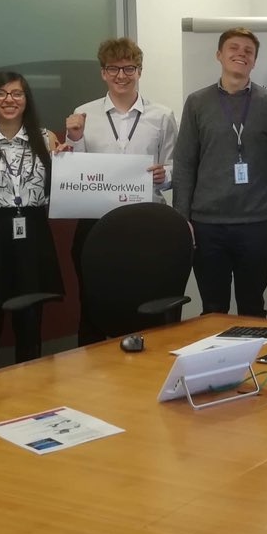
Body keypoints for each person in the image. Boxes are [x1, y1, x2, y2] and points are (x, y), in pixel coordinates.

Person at [173, 27, 267, 318]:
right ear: (219, 54)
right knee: (213, 310)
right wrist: (183, 218)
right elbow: (184, 164)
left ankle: (252, 351)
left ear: (254, 61)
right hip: (206, 226)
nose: (241, 54)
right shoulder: (197, 103)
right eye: (234, 48)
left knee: (252, 308)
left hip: (255, 225)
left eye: (248, 51)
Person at [64, 37, 178, 344]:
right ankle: (94, 365)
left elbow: (175, 166)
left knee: (147, 302)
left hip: (146, 222)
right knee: (94, 302)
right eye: (113, 68)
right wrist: (74, 138)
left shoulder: (162, 115)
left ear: (140, 70)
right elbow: (75, 172)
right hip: (97, 222)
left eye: (129, 68)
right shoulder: (83, 115)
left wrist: (164, 174)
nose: (121, 75)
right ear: (103, 72)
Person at [0, 72, 64, 375]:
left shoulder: (46, 138)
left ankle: (32, 392)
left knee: (30, 325)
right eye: (1, 93)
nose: (9, 100)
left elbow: (62, 184)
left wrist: (66, 159)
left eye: (17, 93)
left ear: (26, 99)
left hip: (31, 234)